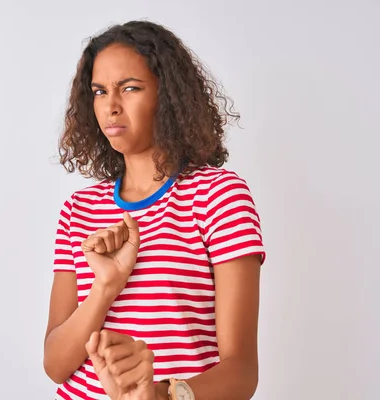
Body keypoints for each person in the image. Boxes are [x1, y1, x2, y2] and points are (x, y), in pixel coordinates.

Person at [43, 20, 265, 400]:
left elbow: (241, 373)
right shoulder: (79, 209)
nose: (111, 106)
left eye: (129, 88)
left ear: (168, 95)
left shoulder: (218, 196)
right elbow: (56, 365)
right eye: (99, 91)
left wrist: (161, 395)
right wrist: (105, 286)